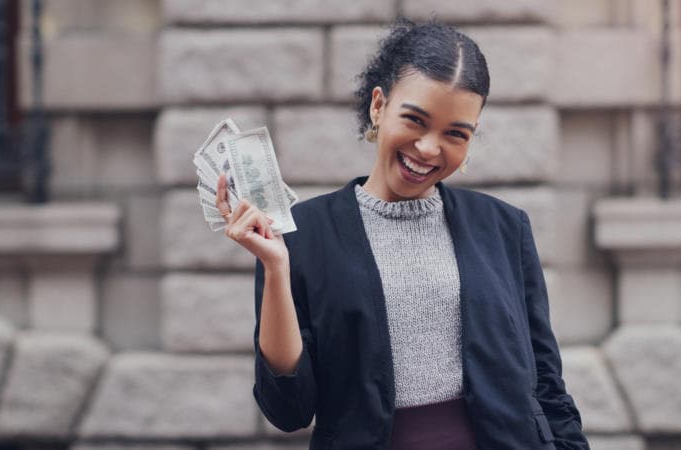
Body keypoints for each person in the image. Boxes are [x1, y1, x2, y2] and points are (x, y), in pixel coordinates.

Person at [216, 19, 589, 450]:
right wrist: (276, 267)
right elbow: (288, 410)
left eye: (455, 134)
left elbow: (547, 385)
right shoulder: (300, 236)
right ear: (379, 106)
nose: (429, 148)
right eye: (415, 120)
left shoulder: (505, 229)